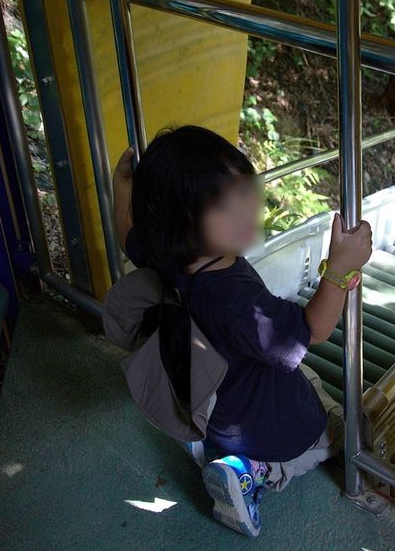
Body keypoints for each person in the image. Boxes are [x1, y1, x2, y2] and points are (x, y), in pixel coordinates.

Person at [111, 125, 372, 538]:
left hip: (220, 409)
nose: (249, 211)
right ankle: (253, 471)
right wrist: (339, 271)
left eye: (246, 194)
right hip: (274, 427)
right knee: (334, 431)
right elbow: (312, 331)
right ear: (183, 223)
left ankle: (240, 456)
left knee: (312, 381)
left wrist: (122, 186)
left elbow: (128, 234)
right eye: (226, 207)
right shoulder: (235, 298)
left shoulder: (170, 256)